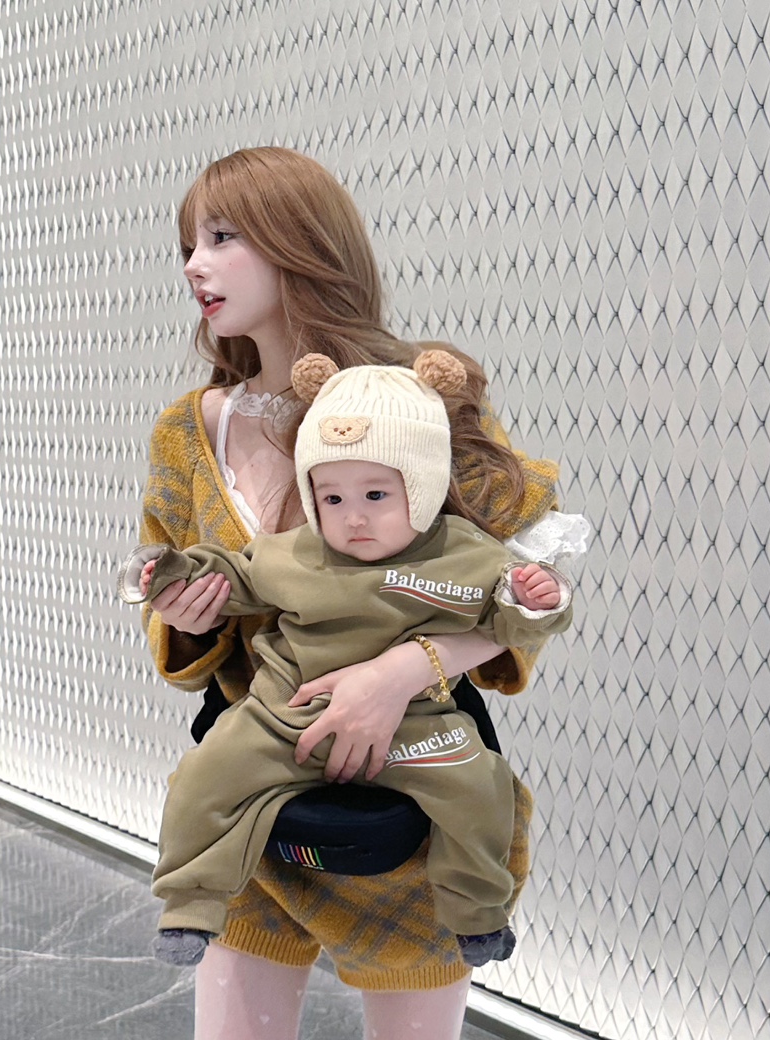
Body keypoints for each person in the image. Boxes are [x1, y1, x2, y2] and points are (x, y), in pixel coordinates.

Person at [137, 145, 573, 1040]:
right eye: (188, 245)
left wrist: (401, 672)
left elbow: (526, 581)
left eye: (222, 237)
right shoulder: (188, 431)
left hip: (409, 800)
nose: (194, 265)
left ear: (298, 241)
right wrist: (185, 615)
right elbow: (177, 610)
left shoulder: (417, 401)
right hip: (251, 792)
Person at [119, 350, 574, 971]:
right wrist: (177, 574)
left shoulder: (464, 555)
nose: (353, 517)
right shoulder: (294, 554)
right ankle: (189, 906)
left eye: (376, 494)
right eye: (330, 497)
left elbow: (505, 619)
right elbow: (232, 573)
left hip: (415, 724)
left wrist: (534, 600)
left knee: (480, 789)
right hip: (283, 718)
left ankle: (477, 915)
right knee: (204, 779)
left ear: (422, 487)